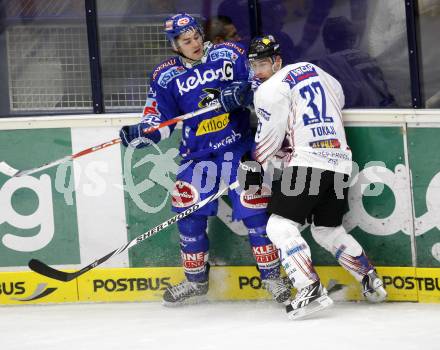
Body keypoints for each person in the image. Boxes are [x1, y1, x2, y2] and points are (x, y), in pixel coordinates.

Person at [119, 14, 291, 306]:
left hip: (238, 149)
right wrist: (144, 133)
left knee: (255, 214)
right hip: (197, 156)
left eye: (197, 36)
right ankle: (195, 280)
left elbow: (262, 83)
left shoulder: (228, 53)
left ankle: (273, 278)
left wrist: (244, 92)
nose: (195, 43)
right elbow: (160, 121)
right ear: (175, 45)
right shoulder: (165, 76)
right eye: (186, 41)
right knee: (189, 216)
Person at [244, 35, 387, 319]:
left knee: (279, 227)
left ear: (277, 61)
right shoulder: (320, 73)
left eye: (262, 64)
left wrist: (253, 169)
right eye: (253, 65)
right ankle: (370, 281)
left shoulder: (270, 90)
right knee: (327, 229)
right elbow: (333, 102)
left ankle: (309, 288)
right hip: (340, 163)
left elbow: (267, 143)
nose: (258, 71)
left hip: (310, 163)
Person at [318, 16, 395, 108]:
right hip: (388, 109)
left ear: (329, 39)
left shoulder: (328, 62)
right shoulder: (366, 56)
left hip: (363, 115)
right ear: (352, 39)